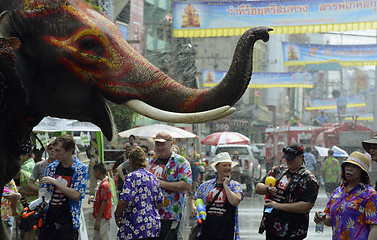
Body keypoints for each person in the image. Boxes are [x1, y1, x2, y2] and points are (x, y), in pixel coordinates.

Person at [256, 143, 319, 240]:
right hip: (272, 227)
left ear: (301, 157)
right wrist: (267, 189)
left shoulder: (308, 179)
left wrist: (278, 206)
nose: (288, 161)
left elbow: (307, 206)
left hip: (293, 230)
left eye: (292, 158)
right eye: (287, 158)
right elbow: (258, 187)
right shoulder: (278, 170)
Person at [313, 151, 377, 239]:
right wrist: (321, 218)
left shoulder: (369, 194)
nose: (349, 169)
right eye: (347, 165)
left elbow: (374, 227)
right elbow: (330, 219)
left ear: (363, 172)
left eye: (354, 166)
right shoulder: (338, 191)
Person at [39, 134, 89, 240]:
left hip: (67, 221)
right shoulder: (51, 168)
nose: (54, 153)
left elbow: (76, 195)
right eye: (53, 150)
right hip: (49, 219)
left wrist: (55, 182)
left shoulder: (80, 169)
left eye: (58, 151)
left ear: (70, 151)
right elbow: (44, 193)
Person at [148, 132, 192, 240]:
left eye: (163, 144)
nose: (159, 147)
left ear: (171, 144)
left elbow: (186, 184)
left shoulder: (180, 162)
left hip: (170, 214)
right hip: (151, 213)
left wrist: (162, 184)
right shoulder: (151, 161)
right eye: (157, 144)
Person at [191, 152, 243, 240]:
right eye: (224, 165)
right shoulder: (206, 185)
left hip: (227, 233)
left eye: (229, 165)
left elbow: (235, 201)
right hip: (206, 232)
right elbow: (195, 198)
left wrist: (226, 185)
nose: (227, 168)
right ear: (216, 167)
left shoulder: (234, 185)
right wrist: (193, 207)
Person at [115, 146, 164, 239]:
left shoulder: (131, 177)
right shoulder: (153, 178)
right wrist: (148, 208)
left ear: (130, 162)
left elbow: (123, 201)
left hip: (135, 228)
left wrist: (117, 215)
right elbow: (160, 202)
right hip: (153, 227)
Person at [88, 163, 113, 240]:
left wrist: (98, 220)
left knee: (103, 237)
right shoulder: (102, 183)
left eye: (94, 172)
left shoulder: (104, 185)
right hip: (101, 217)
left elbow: (104, 202)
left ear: (98, 172)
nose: (94, 174)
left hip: (102, 218)